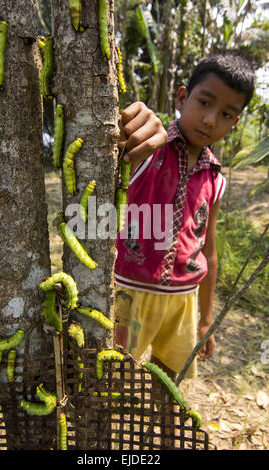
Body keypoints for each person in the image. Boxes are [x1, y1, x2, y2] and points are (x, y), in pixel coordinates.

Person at [114, 50, 255, 407]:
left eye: (226, 114)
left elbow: (209, 251)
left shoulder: (215, 178)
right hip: (130, 294)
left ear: (234, 123)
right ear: (182, 97)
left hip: (183, 301)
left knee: (167, 385)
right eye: (204, 102)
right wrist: (126, 126)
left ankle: (160, 437)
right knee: (110, 381)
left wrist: (206, 320)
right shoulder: (149, 147)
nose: (209, 120)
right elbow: (119, 145)